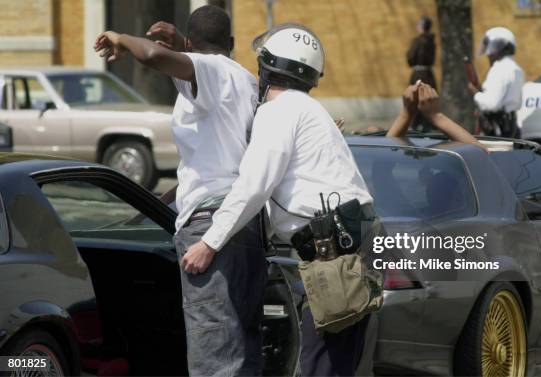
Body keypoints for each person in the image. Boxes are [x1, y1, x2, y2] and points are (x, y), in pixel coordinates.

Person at [183, 23, 376, 376]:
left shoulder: (279, 111)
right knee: (338, 363)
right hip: (346, 242)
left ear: (269, 68)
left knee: (320, 365)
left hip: (329, 251)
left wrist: (208, 243)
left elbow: (253, 186)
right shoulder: (306, 110)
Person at [94, 6, 267, 376]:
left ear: (190, 46)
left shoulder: (212, 70)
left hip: (209, 227)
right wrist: (161, 200)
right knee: (242, 345)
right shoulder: (244, 79)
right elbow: (216, 159)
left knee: (214, 351)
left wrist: (121, 38)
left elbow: (155, 56)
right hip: (244, 223)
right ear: (232, 43)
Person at [468, 27, 524, 138]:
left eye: (491, 47)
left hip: (497, 129)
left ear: (501, 47)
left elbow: (492, 104)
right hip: (510, 126)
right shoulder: (516, 68)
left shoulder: (499, 69)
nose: (488, 54)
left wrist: (475, 93)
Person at [406, 16, 437, 89]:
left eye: (419, 24)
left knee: (416, 97)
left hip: (418, 75)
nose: (417, 26)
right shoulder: (431, 41)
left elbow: (411, 57)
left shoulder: (418, 41)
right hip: (429, 75)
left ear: (422, 26)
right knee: (429, 96)